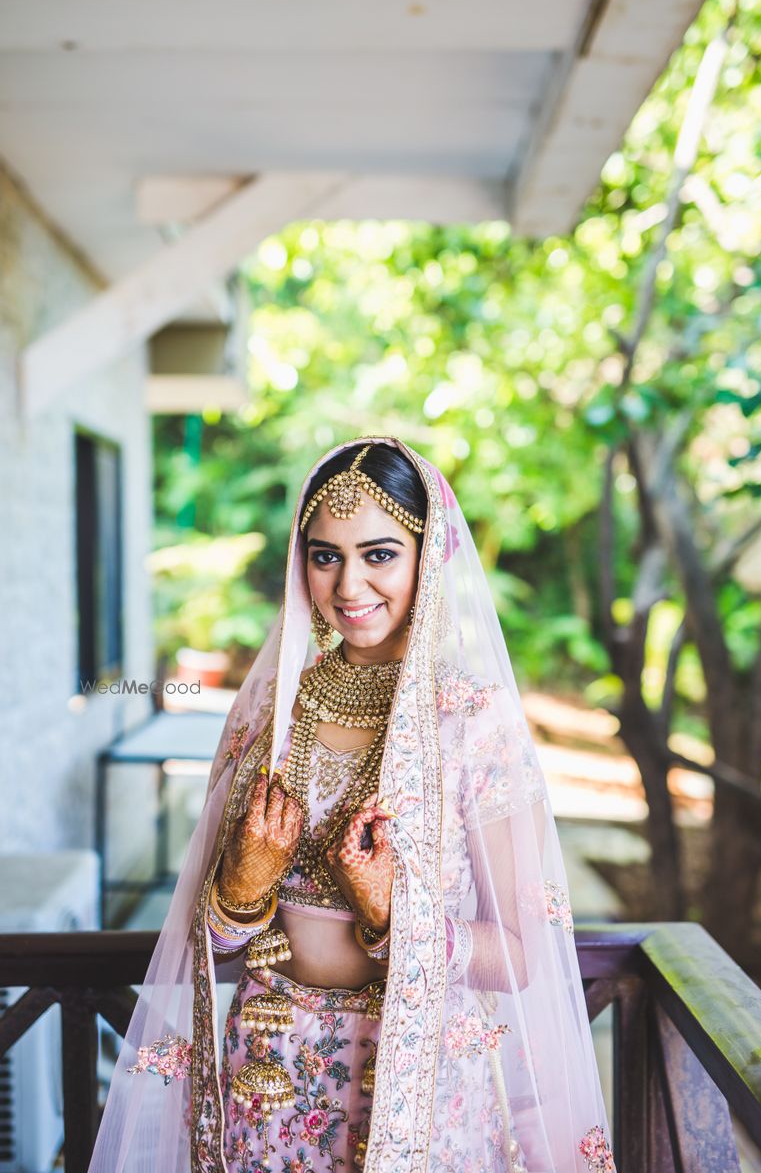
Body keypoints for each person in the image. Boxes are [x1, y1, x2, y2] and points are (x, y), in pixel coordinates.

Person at [89, 437, 616, 1173]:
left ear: (426, 557)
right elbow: (209, 943)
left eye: (379, 554)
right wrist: (241, 892)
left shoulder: (469, 718)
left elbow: (522, 959)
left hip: (414, 1081)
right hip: (267, 1077)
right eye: (326, 555)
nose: (349, 585)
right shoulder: (272, 708)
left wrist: (390, 913)